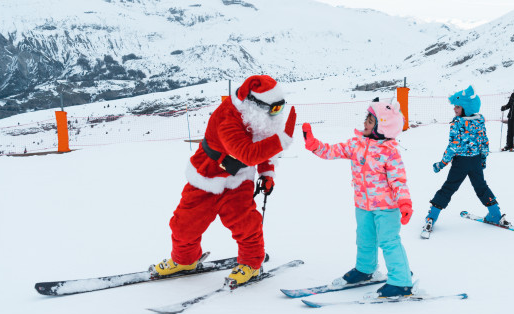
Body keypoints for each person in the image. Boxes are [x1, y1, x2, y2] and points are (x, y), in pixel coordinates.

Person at [150, 75, 297, 286]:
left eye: (280, 108)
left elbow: (264, 142)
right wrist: (282, 141)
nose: (277, 114)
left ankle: (251, 264)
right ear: (253, 104)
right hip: (206, 176)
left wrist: (267, 173)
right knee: (184, 225)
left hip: (238, 180)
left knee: (246, 225)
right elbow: (247, 152)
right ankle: (184, 261)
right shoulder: (227, 117)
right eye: (273, 109)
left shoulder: (258, 117)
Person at [301, 99, 415, 298]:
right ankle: (365, 270)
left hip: (387, 208)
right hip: (363, 205)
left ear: (382, 126)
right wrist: (314, 145)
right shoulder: (356, 144)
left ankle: (401, 282)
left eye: (370, 121)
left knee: (389, 242)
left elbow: (398, 181)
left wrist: (404, 203)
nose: (365, 123)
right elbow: (331, 151)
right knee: (364, 239)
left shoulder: (389, 152)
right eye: (366, 119)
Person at [423, 86, 509, 237]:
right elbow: (484, 142)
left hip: (460, 163)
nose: (454, 109)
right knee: (481, 187)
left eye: (457, 106)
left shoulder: (457, 123)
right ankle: (495, 214)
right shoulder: (480, 121)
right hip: (475, 161)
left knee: (448, 188)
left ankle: (432, 216)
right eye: (454, 106)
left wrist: (441, 164)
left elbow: (453, 146)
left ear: (466, 107)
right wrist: (482, 159)